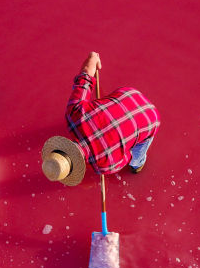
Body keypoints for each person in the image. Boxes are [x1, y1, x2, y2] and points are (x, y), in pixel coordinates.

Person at [41, 52, 160, 186]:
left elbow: (128, 155)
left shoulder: (104, 166)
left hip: (151, 118)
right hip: (129, 94)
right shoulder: (73, 115)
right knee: (103, 107)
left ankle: (137, 166)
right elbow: (86, 74)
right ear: (62, 145)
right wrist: (93, 58)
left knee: (136, 158)